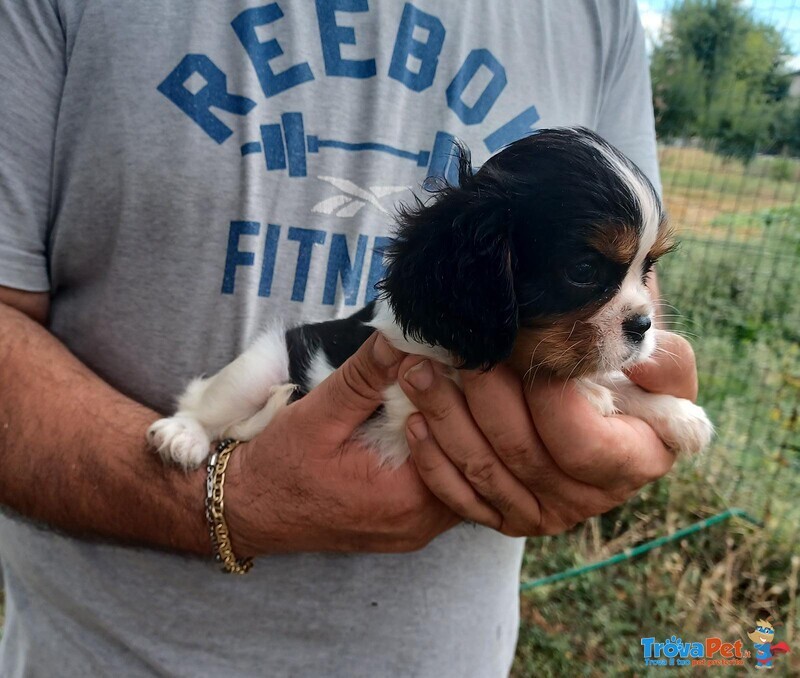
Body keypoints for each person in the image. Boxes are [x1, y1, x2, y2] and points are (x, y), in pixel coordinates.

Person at [0, 1, 699, 675]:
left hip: (450, 656)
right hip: (115, 653)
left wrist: (626, 427)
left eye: (648, 267)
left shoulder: (598, 11)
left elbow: (612, 333)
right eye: (590, 267)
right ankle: (201, 416)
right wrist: (227, 496)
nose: (641, 304)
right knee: (267, 370)